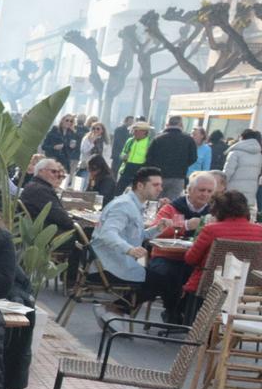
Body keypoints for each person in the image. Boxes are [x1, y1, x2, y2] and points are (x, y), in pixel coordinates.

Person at [147, 170, 220, 320]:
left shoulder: (215, 212)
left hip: (196, 260)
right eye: (201, 190)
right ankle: (172, 310)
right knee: (166, 273)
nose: (205, 194)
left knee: (205, 277)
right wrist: (185, 225)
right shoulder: (172, 208)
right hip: (168, 256)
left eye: (209, 191)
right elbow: (154, 232)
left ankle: (188, 314)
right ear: (190, 190)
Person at [90, 165, 159, 311]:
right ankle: (114, 310)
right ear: (140, 185)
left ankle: (114, 311)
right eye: (155, 185)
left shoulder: (131, 204)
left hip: (115, 262)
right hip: (107, 267)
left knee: (163, 279)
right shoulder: (124, 205)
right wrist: (129, 250)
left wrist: (158, 229)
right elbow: (108, 233)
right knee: (163, 282)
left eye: (160, 185)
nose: (160, 189)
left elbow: (137, 235)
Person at [184, 189, 262, 297]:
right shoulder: (259, 231)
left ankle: (174, 311)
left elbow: (190, 259)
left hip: (208, 286)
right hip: (246, 287)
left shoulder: (212, 230)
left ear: (218, 210)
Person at [146, 117, 196, 200]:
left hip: (159, 176)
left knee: (155, 202)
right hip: (178, 177)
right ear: (181, 125)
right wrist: (183, 165)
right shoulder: (188, 139)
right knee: (171, 204)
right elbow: (193, 158)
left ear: (168, 124)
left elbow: (149, 158)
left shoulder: (158, 139)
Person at [223, 128, 261, 202]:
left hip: (233, 191)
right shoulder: (258, 154)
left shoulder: (235, 152)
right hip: (251, 191)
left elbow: (227, 173)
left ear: (242, 137)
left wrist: (221, 185)